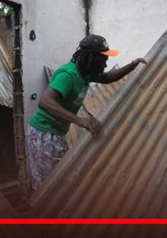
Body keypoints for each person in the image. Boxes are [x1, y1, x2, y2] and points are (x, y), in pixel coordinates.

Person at [27, 34, 146, 190]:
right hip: (43, 133)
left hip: (55, 133)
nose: (106, 63)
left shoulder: (85, 73)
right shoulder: (68, 75)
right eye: (103, 58)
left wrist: (133, 64)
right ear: (92, 58)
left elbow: (108, 77)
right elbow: (45, 102)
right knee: (49, 186)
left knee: (58, 182)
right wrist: (80, 120)